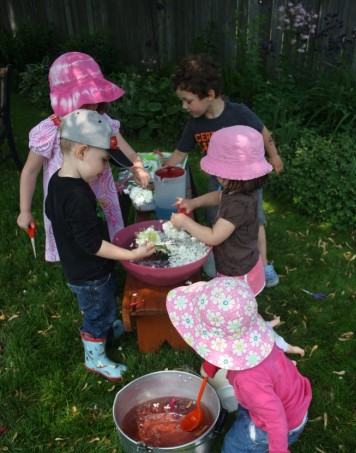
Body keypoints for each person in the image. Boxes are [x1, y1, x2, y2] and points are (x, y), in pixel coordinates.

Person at [166, 277, 312, 453]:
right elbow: (221, 346)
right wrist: (211, 367)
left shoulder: (248, 381)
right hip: (292, 397)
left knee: (240, 443)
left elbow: (275, 417)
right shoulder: (257, 337)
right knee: (253, 412)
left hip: (283, 423)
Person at [45, 109, 155, 382]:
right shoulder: (77, 196)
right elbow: (93, 244)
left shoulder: (58, 182)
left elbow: (52, 211)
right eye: (104, 161)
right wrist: (131, 254)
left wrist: (95, 206)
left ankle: (105, 330)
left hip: (80, 270)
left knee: (103, 306)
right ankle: (95, 357)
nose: (105, 168)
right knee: (98, 312)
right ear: (82, 152)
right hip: (90, 273)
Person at [17, 51, 150, 262]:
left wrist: (138, 168)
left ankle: (107, 258)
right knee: (76, 242)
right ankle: (82, 270)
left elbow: (130, 153)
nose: (91, 108)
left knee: (100, 233)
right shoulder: (50, 130)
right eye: (83, 103)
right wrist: (25, 210)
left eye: (94, 101)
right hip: (69, 201)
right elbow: (30, 171)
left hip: (100, 196)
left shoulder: (102, 122)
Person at [166, 54, 282, 287]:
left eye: (188, 100)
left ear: (209, 95)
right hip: (219, 181)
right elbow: (180, 154)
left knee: (254, 221)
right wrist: (163, 173)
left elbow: (264, 133)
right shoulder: (195, 124)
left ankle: (264, 263)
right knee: (216, 216)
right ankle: (224, 254)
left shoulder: (238, 113)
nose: (184, 106)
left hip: (245, 180)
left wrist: (274, 156)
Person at [170, 125, 272, 296]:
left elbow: (214, 236)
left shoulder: (237, 206)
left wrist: (185, 221)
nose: (217, 176)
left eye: (219, 173)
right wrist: (194, 203)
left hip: (237, 271)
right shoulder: (242, 189)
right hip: (243, 257)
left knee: (235, 310)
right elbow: (219, 196)